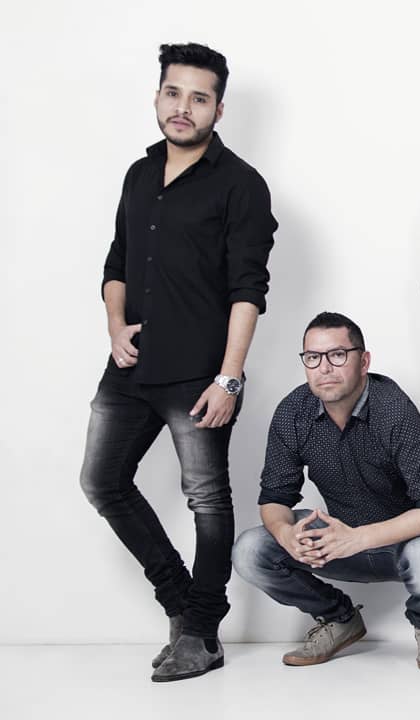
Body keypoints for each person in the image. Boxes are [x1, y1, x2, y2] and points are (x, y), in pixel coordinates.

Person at [79, 42, 276, 682]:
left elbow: (248, 290)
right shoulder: (139, 175)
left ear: (219, 108)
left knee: (208, 502)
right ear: (158, 96)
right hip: (130, 367)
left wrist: (229, 378)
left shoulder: (241, 184)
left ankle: (201, 633)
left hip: (200, 375)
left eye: (199, 97)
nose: (183, 107)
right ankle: (181, 603)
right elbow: (116, 263)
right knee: (102, 482)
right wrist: (115, 327)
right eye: (173, 93)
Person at [233, 312, 420, 672]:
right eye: (313, 357)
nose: (324, 368)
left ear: (363, 361)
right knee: (249, 550)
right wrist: (285, 533)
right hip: (339, 541)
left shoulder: (393, 409)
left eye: (338, 355)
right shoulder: (293, 411)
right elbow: (274, 498)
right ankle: (339, 619)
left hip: (404, 542)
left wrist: (357, 538)